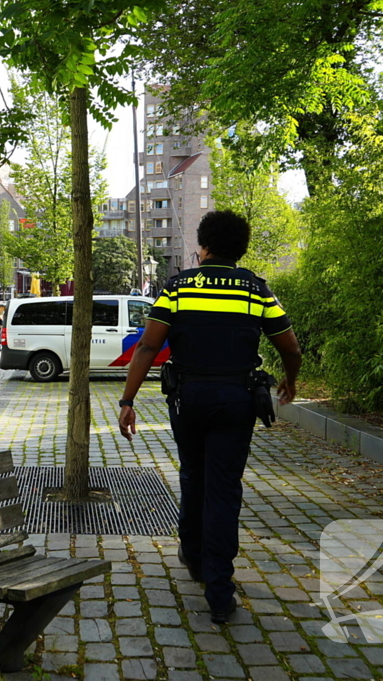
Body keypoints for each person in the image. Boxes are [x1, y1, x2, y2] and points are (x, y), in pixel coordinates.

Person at [116, 210, 302, 624]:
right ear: (240, 249)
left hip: (188, 399)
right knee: (223, 488)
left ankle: (194, 556)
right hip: (237, 401)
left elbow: (147, 347)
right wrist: (290, 382)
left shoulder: (177, 288)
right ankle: (220, 593)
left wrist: (128, 400)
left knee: (193, 475)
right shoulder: (256, 290)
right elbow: (290, 346)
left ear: (204, 246)